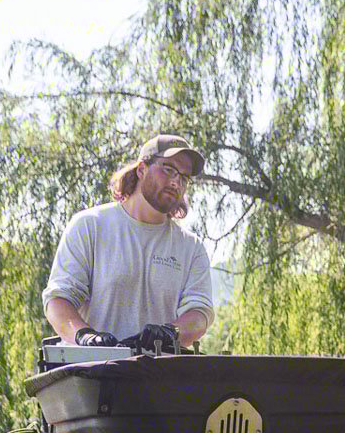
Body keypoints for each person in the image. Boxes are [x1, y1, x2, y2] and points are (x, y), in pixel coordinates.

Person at [42, 133, 216, 350]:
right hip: (93, 374)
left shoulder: (191, 247)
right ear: (142, 169)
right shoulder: (90, 226)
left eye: (184, 177)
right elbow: (57, 300)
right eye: (169, 169)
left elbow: (200, 314)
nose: (176, 182)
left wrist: (172, 332)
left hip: (161, 376)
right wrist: (84, 336)